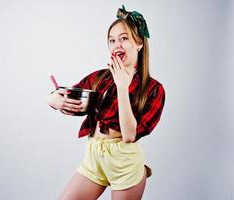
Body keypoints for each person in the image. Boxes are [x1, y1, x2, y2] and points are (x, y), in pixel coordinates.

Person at [47, 5, 165, 200]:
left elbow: (129, 135)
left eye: (124, 38)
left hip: (125, 163)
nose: (116, 45)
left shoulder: (153, 89)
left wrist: (122, 86)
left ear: (139, 43)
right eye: (112, 40)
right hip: (94, 156)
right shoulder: (99, 78)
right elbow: (64, 94)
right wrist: (53, 100)